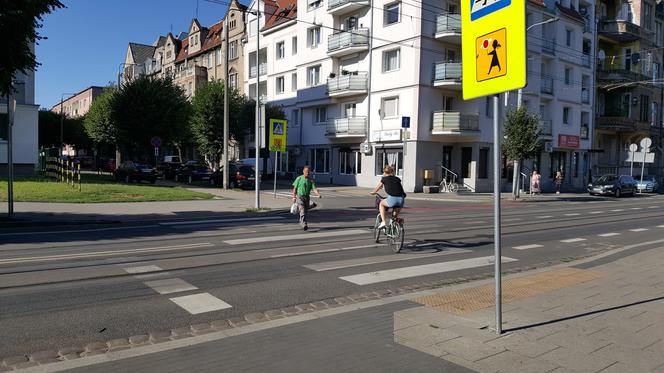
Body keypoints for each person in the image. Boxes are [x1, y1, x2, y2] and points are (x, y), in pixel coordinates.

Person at [370, 165, 406, 229]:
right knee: (394, 218)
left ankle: (383, 222)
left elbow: (377, 188)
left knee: (381, 204)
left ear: (384, 172)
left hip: (392, 199)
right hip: (401, 199)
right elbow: (401, 189)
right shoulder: (397, 179)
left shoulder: (384, 179)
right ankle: (398, 221)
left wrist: (373, 192)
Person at [292, 166, 321, 231]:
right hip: (300, 197)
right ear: (303, 171)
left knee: (305, 210)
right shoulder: (299, 178)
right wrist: (294, 197)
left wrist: (318, 194)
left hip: (307, 197)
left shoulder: (310, 180)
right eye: (306, 172)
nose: (307, 173)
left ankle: (302, 219)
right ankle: (304, 224)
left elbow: (314, 189)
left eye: (308, 172)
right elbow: (295, 188)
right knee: (302, 210)